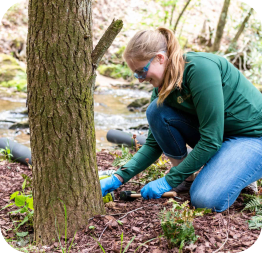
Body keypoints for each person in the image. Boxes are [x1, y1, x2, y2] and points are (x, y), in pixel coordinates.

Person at [100, 27, 262, 212]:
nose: (140, 80)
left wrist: (169, 180)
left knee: (205, 199)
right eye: (136, 75)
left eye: (141, 72)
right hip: (221, 137)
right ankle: (188, 179)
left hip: (252, 137)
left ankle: (243, 170)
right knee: (156, 110)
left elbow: (211, 140)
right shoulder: (162, 88)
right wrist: (119, 177)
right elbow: (153, 144)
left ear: (160, 58)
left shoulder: (200, 70)